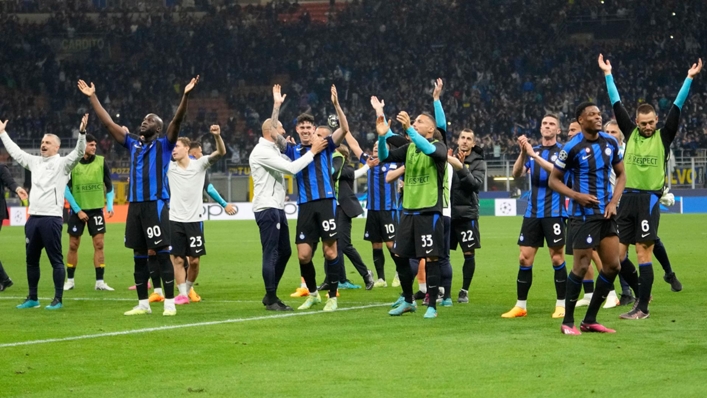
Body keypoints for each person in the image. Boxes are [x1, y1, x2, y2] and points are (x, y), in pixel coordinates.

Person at [78, 76, 199, 316]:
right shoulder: (132, 143)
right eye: (144, 119)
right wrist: (93, 97)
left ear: (159, 128)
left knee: (163, 254)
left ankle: (169, 303)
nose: (144, 122)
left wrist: (185, 96)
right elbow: (108, 123)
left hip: (155, 205)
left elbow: (178, 119)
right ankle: (143, 304)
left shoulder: (165, 144)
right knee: (138, 256)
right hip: (134, 207)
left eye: (150, 120)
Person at [599, 54, 700, 319]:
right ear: (636, 122)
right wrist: (608, 74)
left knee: (644, 252)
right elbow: (616, 102)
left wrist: (689, 78)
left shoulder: (664, 136)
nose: (646, 127)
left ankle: (642, 307)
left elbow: (677, 106)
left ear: (656, 121)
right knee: (618, 258)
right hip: (626, 200)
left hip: (649, 201)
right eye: (642, 123)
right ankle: (640, 296)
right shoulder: (629, 133)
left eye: (651, 123)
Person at [549, 102, 625, 335]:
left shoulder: (610, 142)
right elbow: (554, 180)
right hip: (582, 216)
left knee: (613, 266)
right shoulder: (571, 147)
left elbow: (621, 174)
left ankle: (590, 319)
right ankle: (568, 322)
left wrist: (613, 201)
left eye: (599, 114)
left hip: (606, 214)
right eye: (591, 115)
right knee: (581, 266)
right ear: (581, 120)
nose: (597, 117)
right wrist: (576, 196)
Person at [272, 85, 349, 312]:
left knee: (330, 251)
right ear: (297, 129)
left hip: (326, 203)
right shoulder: (292, 150)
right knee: (304, 255)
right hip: (304, 206)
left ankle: (332, 296)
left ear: (314, 129)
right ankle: (313, 294)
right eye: (302, 127)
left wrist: (336, 105)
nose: (305, 130)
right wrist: (276, 106)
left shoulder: (325, 146)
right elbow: (273, 133)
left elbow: (344, 128)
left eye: (309, 127)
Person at [250, 84, 325, 311]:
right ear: (270, 132)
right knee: (271, 252)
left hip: (277, 208)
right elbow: (292, 169)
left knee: (285, 252)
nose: (283, 132)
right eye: (280, 129)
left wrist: (277, 108)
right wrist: (312, 152)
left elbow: (279, 138)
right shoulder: (262, 151)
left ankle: (269, 293)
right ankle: (271, 298)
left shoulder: (273, 149)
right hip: (267, 208)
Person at [0, 115, 87, 309]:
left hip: (51, 219)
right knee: (31, 260)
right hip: (33, 219)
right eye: (42, 142)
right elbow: (16, 153)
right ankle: (33, 298)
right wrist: (3, 134)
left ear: (56, 147)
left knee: (56, 260)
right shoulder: (34, 162)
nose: (43, 145)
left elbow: (79, 152)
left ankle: (58, 299)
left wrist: (82, 133)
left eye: (47, 142)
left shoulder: (64, 164)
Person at [377, 109, 447, 319]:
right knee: (399, 255)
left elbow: (427, 148)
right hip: (408, 211)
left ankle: (432, 305)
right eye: (414, 122)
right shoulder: (409, 148)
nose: (415, 123)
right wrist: (382, 138)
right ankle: (408, 300)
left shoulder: (439, 147)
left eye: (420, 121)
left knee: (431, 258)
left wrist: (408, 128)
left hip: (429, 211)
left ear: (431, 129)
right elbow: (384, 157)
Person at [502, 114, 567, 319]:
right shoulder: (533, 152)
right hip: (532, 213)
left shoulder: (563, 152)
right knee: (524, 258)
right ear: (540, 129)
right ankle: (521, 306)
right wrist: (523, 153)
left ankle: (561, 305)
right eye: (544, 124)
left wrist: (534, 155)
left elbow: (559, 173)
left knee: (557, 259)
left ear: (558, 130)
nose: (547, 127)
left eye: (551, 124)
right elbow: (516, 174)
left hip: (554, 213)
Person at [344, 96, 400, 288]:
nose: (376, 148)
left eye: (379, 146)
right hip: (373, 211)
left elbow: (385, 133)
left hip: (388, 210)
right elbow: (353, 144)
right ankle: (381, 278)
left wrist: (380, 112)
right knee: (376, 245)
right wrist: (344, 129)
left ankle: (400, 274)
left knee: (392, 245)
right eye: (374, 146)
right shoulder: (368, 161)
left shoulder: (392, 162)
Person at [167, 128, 225, 305]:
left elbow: (221, 152)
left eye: (176, 147)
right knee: (177, 259)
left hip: (194, 220)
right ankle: (182, 294)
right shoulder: (169, 167)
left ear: (186, 148)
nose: (173, 150)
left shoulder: (199, 164)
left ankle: (189, 286)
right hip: (175, 219)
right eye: (172, 148)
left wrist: (216, 136)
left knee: (194, 262)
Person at [62, 133, 116, 292]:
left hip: (96, 210)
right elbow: (65, 188)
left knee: (99, 244)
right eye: (91, 145)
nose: (94, 147)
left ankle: (100, 282)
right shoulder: (72, 163)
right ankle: (70, 280)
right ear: (83, 145)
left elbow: (109, 185)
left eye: (95, 145)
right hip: (78, 211)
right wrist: (78, 211)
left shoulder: (101, 161)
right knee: (73, 245)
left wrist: (110, 205)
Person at [330, 143, 375, 290]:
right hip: (331, 208)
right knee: (331, 244)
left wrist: (367, 166)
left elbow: (353, 174)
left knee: (344, 245)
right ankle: (338, 279)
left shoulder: (346, 169)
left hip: (343, 209)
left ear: (342, 156)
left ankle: (365, 273)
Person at [451, 127, 486, 304]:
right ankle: (442, 289)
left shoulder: (478, 162)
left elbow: (476, 185)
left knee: (468, 253)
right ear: (458, 140)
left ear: (473, 143)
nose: (465, 141)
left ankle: (464, 290)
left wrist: (461, 168)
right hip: (447, 213)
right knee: (441, 254)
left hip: (466, 215)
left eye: (469, 138)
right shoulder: (449, 157)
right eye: (462, 137)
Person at [0, 162, 29, 291]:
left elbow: (10, 181)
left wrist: (17, 189)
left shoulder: (1, 167)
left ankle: (4, 279)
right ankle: (4, 279)